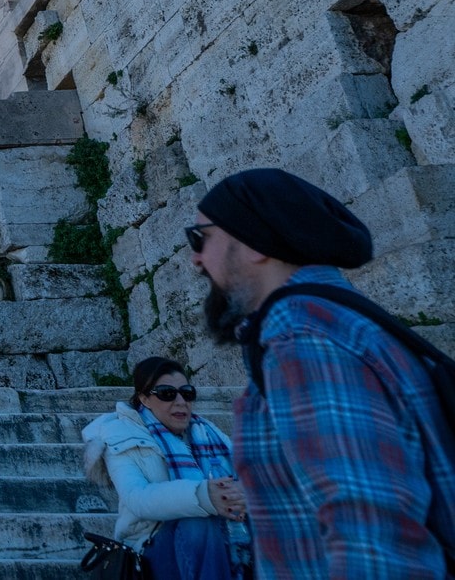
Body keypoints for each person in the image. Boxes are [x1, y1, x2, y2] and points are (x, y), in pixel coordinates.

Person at [188, 167, 455, 578]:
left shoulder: (303, 337)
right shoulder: (333, 320)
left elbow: (371, 535)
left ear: (254, 243)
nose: (196, 259)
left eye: (201, 238)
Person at [81, 357, 250, 579]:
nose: (180, 401)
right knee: (197, 524)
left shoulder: (209, 433)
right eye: (167, 393)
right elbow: (137, 498)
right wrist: (204, 496)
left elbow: (247, 476)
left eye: (187, 393)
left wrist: (241, 496)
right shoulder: (119, 436)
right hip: (149, 548)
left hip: (221, 539)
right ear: (144, 398)